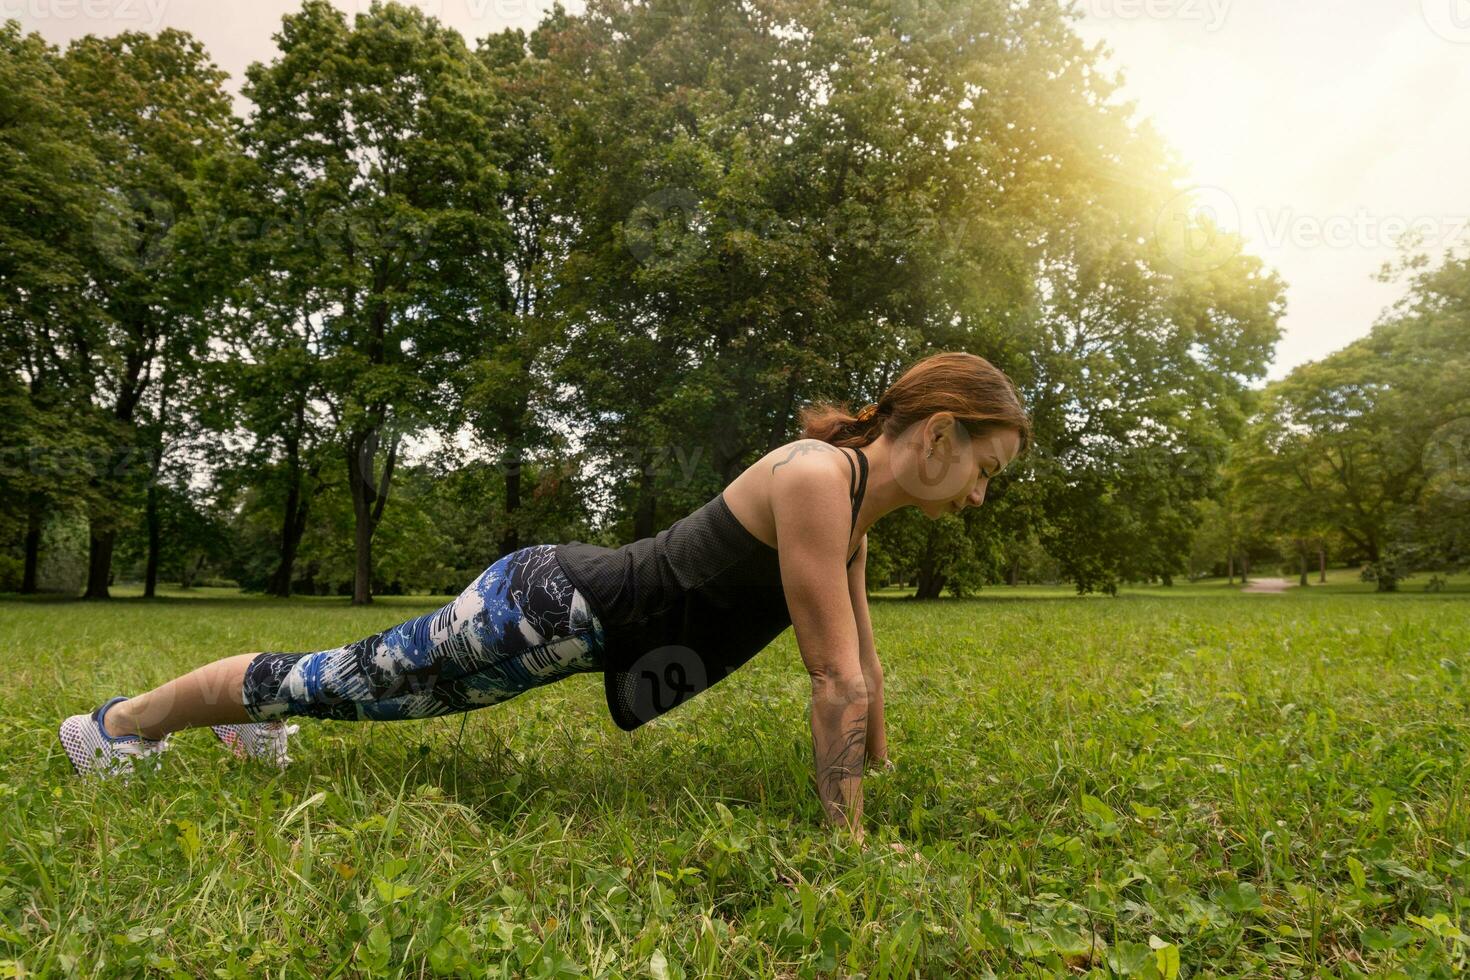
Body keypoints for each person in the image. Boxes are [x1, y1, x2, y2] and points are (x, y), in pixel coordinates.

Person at [58, 351, 1029, 838]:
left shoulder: (856, 511)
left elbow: (863, 666)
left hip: (569, 620)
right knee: (339, 678)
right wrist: (847, 835)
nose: (981, 492)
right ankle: (117, 724)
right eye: (984, 466)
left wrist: (882, 771)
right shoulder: (819, 476)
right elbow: (831, 678)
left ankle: (247, 724)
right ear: (939, 435)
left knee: (341, 690)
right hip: (546, 605)